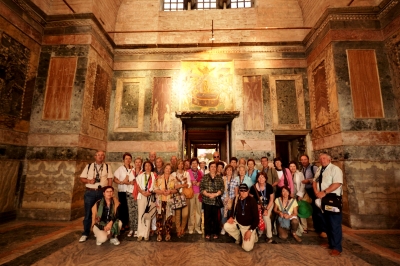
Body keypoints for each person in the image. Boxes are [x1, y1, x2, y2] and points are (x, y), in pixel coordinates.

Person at [79, 150, 113, 243]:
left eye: (102, 155)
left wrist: (109, 190)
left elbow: (110, 179)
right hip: (90, 192)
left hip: (102, 192)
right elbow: (82, 178)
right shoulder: (89, 166)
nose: (100, 157)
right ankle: (85, 233)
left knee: (101, 213)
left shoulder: (107, 166)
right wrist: (89, 181)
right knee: (88, 213)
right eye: (99, 155)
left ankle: (98, 231)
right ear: (95, 156)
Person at [313, 153, 343, 256]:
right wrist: (316, 191)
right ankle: (331, 243)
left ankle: (337, 247)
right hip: (321, 199)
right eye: (320, 158)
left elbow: (337, 183)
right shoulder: (319, 169)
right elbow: (314, 180)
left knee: (334, 223)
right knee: (326, 222)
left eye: (324, 158)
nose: (322, 160)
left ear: (329, 159)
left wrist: (324, 192)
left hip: (332, 198)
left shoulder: (335, 169)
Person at [224, 184, 259, 252]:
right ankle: (240, 237)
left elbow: (256, 219)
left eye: (245, 190)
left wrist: (250, 230)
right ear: (239, 191)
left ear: (248, 191)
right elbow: (233, 211)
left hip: (248, 227)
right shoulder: (236, 199)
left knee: (247, 248)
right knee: (226, 226)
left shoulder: (252, 201)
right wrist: (231, 217)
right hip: (238, 223)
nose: (243, 192)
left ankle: (253, 234)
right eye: (241, 190)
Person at [301, 154, 327, 238]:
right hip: (308, 191)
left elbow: (319, 178)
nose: (303, 161)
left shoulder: (314, 168)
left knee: (318, 210)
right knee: (313, 210)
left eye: (305, 159)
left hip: (315, 191)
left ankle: (323, 229)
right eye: (302, 160)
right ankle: (317, 227)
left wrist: (308, 181)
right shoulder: (302, 169)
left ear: (308, 160)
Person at [200, 162, 224, 240]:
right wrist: (207, 194)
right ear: (209, 168)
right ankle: (207, 232)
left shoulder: (219, 177)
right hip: (207, 200)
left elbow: (222, 189)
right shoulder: (205, 177)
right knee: (207, 217)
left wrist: (215, 194)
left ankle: (215, 232)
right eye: (211, 166)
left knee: (215, 218)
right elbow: (201, 188)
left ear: (216, 168)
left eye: (214, 167)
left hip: (216, 201)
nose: (213, 168)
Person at [154, 164, 178, 241]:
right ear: (164, 169)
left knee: (169, 218)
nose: (168, 170)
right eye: (166, 168)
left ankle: (168, 233)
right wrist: (161, 192)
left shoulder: (173, 179)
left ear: (171, 170)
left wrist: (170, 191)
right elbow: (155, 189)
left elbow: (176, 190)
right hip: (160, 201)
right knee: (159, 218)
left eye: (169, 168)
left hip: (169, 201)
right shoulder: (158, 178)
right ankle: (159, 233)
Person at [249, 172, 274, 243]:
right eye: (259, 177)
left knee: (266, 217)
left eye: (263, 177)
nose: (261, 179)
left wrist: (266, 209)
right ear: (257, 179)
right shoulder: (253, 187)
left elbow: (271, 200)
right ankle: (258, 232)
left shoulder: (269, 187)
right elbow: (250, 199)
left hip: (268, 205)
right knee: (256, 217)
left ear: (265, 178)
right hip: (257, 205)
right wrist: (256, 205)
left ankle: (269, 236)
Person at [136, 161, 156, 241]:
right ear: (143, 167)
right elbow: (137, 186)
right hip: (141, 196)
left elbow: (155, 186)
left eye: (149, 166)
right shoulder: (140, 176)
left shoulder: (154, 176)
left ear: (151, 167)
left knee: (148, 215)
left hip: (150, 196)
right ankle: (140, 234)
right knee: (141, 214)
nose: (147, 167)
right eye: (146, 166)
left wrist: (149, 192)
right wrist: (143, 192)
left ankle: (146, 234)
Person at [113, 152, 132, 232]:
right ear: (123, 160)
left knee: (129, 208)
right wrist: (121, 182)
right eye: (126, 159)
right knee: (122, 208)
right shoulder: (120, 169)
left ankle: (127, 223)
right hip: (122, 191)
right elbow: (115, 179)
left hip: (130, 191)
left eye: (129, 159)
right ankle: (122, 224)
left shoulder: (132, 168)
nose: (128, 160)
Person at [173, 160, 192, 238]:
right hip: (177, 195)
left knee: (185, 214)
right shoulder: (174, 174)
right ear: (177, 165)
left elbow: (189, 183)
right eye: (179, 164)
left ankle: (183, 228)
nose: (180, 165)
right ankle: (178, 230)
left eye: (181, 164)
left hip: (185, 195)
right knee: (177, 214)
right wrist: (182, 185)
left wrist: (185, 185)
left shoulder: (186, 173)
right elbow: (174, 185)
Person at [126, 157, 143, 237]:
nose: (138, 163)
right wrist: (130, 183)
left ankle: (136, 229)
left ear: (141, 163)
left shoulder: (143, 173)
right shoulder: (130, 171)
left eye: (139, 162)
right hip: (130, 193)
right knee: (130, 212)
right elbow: (125, 181)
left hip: (138, 194)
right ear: (134, 163)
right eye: (136, 162)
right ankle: (131, 229)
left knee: (137, 212)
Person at [289, 161, 307, 233]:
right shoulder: (288, 174)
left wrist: (300, 194)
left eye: (294, 166)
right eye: (291, 166)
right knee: (293, 210)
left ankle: (304, 226)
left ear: (296, 167)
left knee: (300, 210)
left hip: (298, 194)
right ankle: (296, 227)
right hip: (291, 195)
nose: (292, 168)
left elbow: (302, 185)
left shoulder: (300, 174)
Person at [220, 165, 239, 235]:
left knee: (230, 215)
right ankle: (223, 228)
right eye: (227, 170)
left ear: (232, 172)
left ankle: (229, 229)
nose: (229, 171)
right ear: (225, 171)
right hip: (223, 200)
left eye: (230, 170)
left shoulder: (235, 181)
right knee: (223, 215)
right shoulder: (222, 179)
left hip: (231, 200)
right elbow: (220, 190)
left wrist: (234, 201)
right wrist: (224, 198)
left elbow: (236, 193)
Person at [188, 157, 204, 234]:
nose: (194, 164)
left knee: (198, 210)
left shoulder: (201, 172)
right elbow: (185, 182)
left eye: (195, 163)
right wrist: (191, 182)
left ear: (198, 164)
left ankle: (197, 227)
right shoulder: (187, 172)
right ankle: (190, 227)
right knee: (191, 211)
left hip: (198, 193)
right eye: (193, 163)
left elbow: (203, 182)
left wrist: (199, 183)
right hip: (191, 193)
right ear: (191, 164)